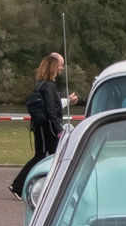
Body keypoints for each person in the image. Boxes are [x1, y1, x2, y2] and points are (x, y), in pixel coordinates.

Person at [10, 53, 77, 199]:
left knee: (43, 156)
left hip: (42, 127)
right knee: (46, 156)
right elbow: (51, 109)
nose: (62, 68)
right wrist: (58, 129)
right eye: (60, 65)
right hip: (48, 129)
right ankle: (20, 185)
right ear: (53, 67)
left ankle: (23, 185)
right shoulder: (48, 86)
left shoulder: (42, 85)